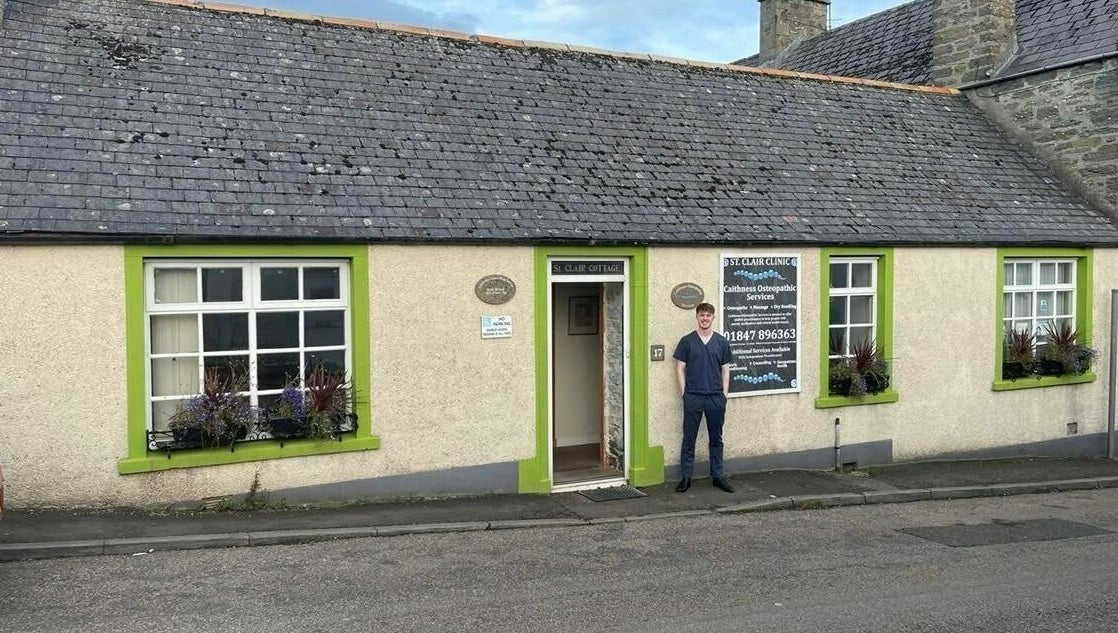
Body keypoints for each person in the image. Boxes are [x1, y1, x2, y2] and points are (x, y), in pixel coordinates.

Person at [673, 302, 734, 493]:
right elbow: (680, 368)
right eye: (701, 315)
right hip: (693, 396)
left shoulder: (721, 342)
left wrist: (724, 395)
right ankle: (686, 477)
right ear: (697, 317)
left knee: (716, 438)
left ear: (713, 318)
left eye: (708, 315)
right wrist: (684, 394)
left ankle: (717, 476)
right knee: (689, 437)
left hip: (715, 397)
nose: (705, 318)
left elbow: (726, 369)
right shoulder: (687, 341)